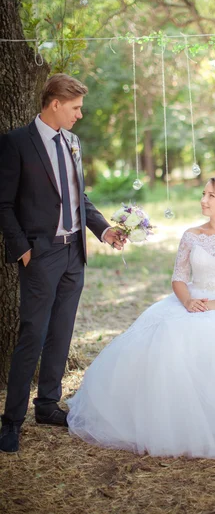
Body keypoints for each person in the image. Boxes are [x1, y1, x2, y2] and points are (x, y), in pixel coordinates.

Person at [67, 175, 215, 463]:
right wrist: (188, 300)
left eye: (211, 196)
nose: (203, 200)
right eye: (203, 194)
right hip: (190, 302)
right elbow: (179, 278)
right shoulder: (191, 235)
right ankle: (175, 422)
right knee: (169, 338)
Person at [0, 74, 125, 453]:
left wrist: (103, 231)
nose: (80, 115)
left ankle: (48, 405)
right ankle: (11, 421)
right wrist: (23, 250)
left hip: (74, 254)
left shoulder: (73, 142)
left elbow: (79, 197)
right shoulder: (16, 142)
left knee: (62, 331)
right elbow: (3, 203)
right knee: (32, 335)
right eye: (75, 108)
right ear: (54, 103)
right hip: (40, 255)